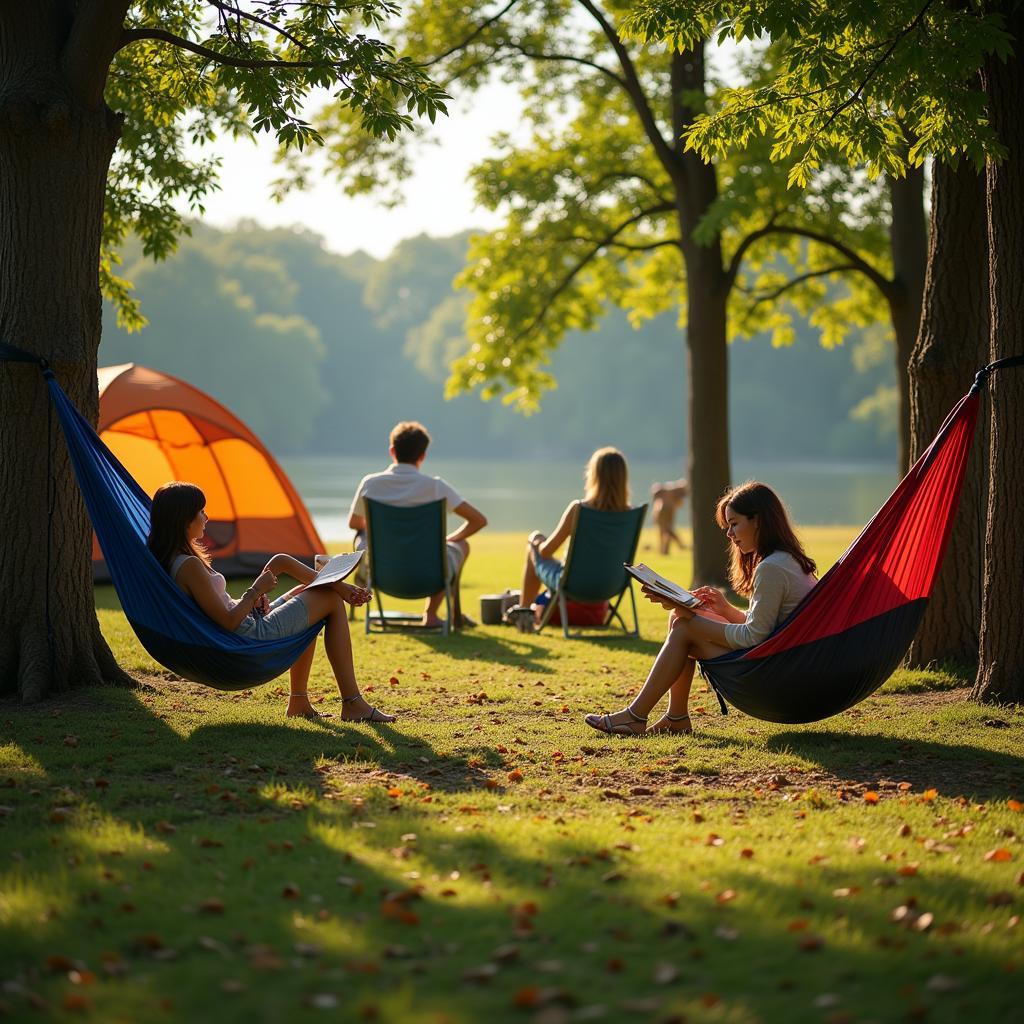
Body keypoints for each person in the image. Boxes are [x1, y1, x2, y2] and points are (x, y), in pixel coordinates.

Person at [147, 481, 393, 723]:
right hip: (249, 634)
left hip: (246, 620)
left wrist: (254, 598)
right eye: (201, 511)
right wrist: (255, 592)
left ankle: (299, 701)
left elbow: (224, 609)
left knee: (293, 574)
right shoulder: (188, 566)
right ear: (184, 519)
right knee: (328, 599)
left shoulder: (177, 559)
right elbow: (228, 621)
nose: (207, 517)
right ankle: (352, 703)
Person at [584, 481, 817, 736]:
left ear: (758, 521)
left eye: (734, 523)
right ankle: (676, 718)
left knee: (685, 627)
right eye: (727, 526)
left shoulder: (771, 568)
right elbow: (766, 625)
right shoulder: (785, 560)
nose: (729, 534)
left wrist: (695, 621)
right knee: (679, 617)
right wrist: (725, 609)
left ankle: (635, 716)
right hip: (782, 663)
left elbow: (755, 636)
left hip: (775, 675)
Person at [347, 421, 487, 628]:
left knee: (361, 536)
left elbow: (354, 523)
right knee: (462, 546)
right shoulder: (436, 487)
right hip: (429, 576)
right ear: (422, 456)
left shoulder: (371, 484)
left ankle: (360, 586)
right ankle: (431, 614)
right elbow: (478, 521)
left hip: (383, 575)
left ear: (392, 451)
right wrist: (450, 539)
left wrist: (386, 530)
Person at [508, 447, 631, 631]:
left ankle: (525, 613)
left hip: (573, 585)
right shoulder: (630, 514)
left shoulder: (579, 509)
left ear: (594, 476)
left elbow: (546, 552)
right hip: (613, 585)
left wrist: (537, 542)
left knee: (533, 541)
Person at [650, 478, 689, 554]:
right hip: (665, 510)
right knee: (666, 529)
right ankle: (675, 546)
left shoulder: (670, 490)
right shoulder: (672, 489)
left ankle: (665, 550)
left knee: (665, 530)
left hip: (665, 510)